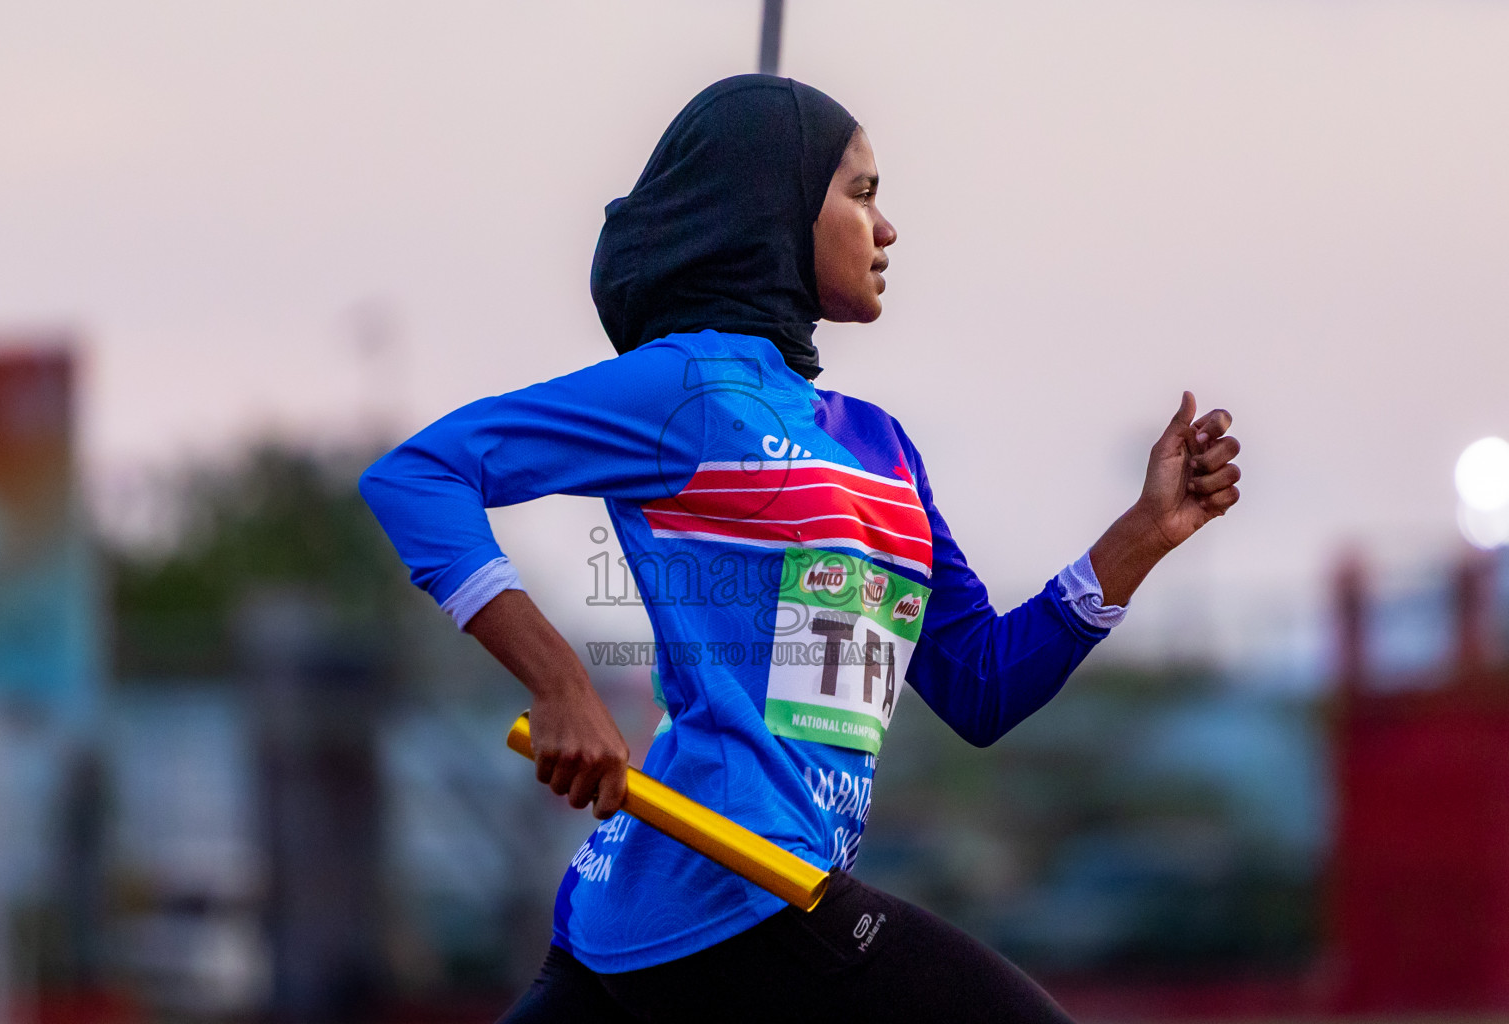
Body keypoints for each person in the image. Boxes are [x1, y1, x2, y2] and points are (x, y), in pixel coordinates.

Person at [360, 74, 1240, 1023]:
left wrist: (1145, 535)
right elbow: (418, 478)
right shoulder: (683, 391)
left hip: (693, 915)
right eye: (861, 194)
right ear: (775, 213)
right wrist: (560, 682)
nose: (889, 229)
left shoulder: (882, 446)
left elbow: (983, 684)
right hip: (741, 885)